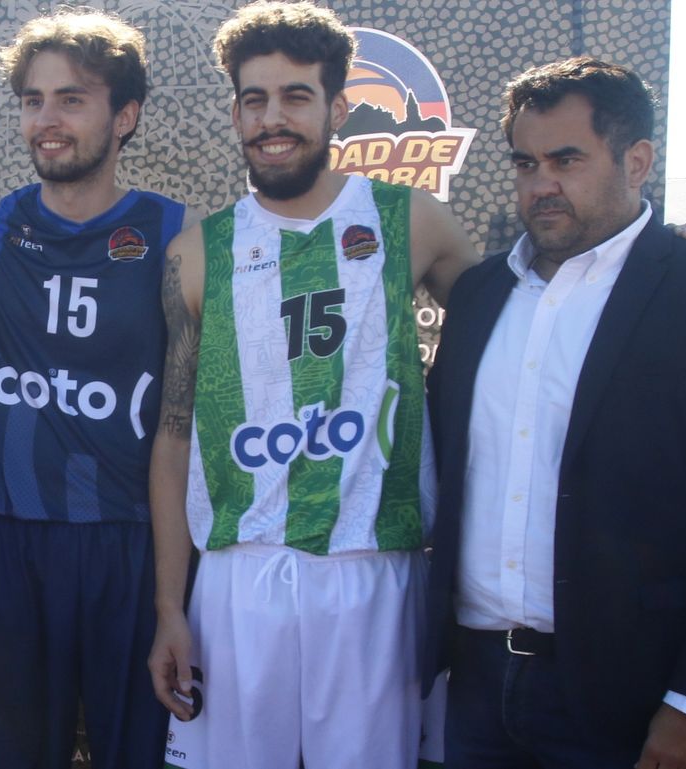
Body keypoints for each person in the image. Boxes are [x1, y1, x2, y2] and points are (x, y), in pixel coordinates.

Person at [423, 57, 686, 769]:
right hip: (473, 690)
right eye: (525, 162)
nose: (541, 183)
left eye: (566, 159)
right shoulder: (480, 295)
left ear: (637, 161)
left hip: (629, 702)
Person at [145, 3, 484, 767]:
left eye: (296, 96)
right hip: (240, 577)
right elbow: (173, 439)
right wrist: (171, 605)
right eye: (255, 99)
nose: (274, 118)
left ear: (336, 107)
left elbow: (527, 314)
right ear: (235, 112)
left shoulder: (411, 221)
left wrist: (659, 260)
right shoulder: (197, 253)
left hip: (373, 566)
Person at [0, 8, 191, 768]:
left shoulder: (178, 237)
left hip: (127, 541)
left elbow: (180, 429)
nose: (46, 121)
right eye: (33, 100)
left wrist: (169, 602)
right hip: (7, 539)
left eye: (72, 99)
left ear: (125, 116)